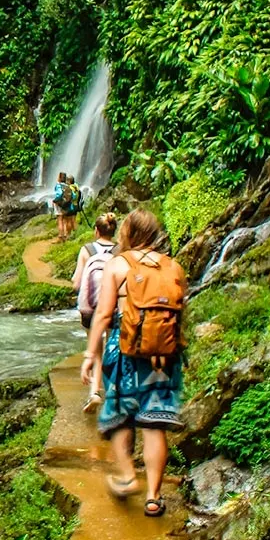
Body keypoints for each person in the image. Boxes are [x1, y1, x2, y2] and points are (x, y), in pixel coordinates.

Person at [81, 209, 187, 517]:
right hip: (163, 355)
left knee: (120, 416)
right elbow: (180, 312)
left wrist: (90, 355)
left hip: (124, 347)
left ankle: (127, 476)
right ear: (155, 234)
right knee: (154, 424)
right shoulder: (174, 267)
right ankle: (153, 497)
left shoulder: (118, 265)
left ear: (128, 232)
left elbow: (102, 315)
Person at [73, 212, 118, 412]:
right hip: (114, 307)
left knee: (96, 350)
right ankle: (114, 390)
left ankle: (94, 392)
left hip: (91, 309)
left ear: (96, 231)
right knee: (112, 346)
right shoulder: (120, 250)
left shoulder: (86, 250)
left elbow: (77, 282)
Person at [52, 173, 72, 241]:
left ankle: (61, 236)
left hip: (60, 204)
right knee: (65, 220)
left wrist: (55, 200)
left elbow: (59, 193)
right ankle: (66, 235)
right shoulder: (67, 186)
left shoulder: (58, 185)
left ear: (59, 178)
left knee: (60, 220)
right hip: (66, 204)